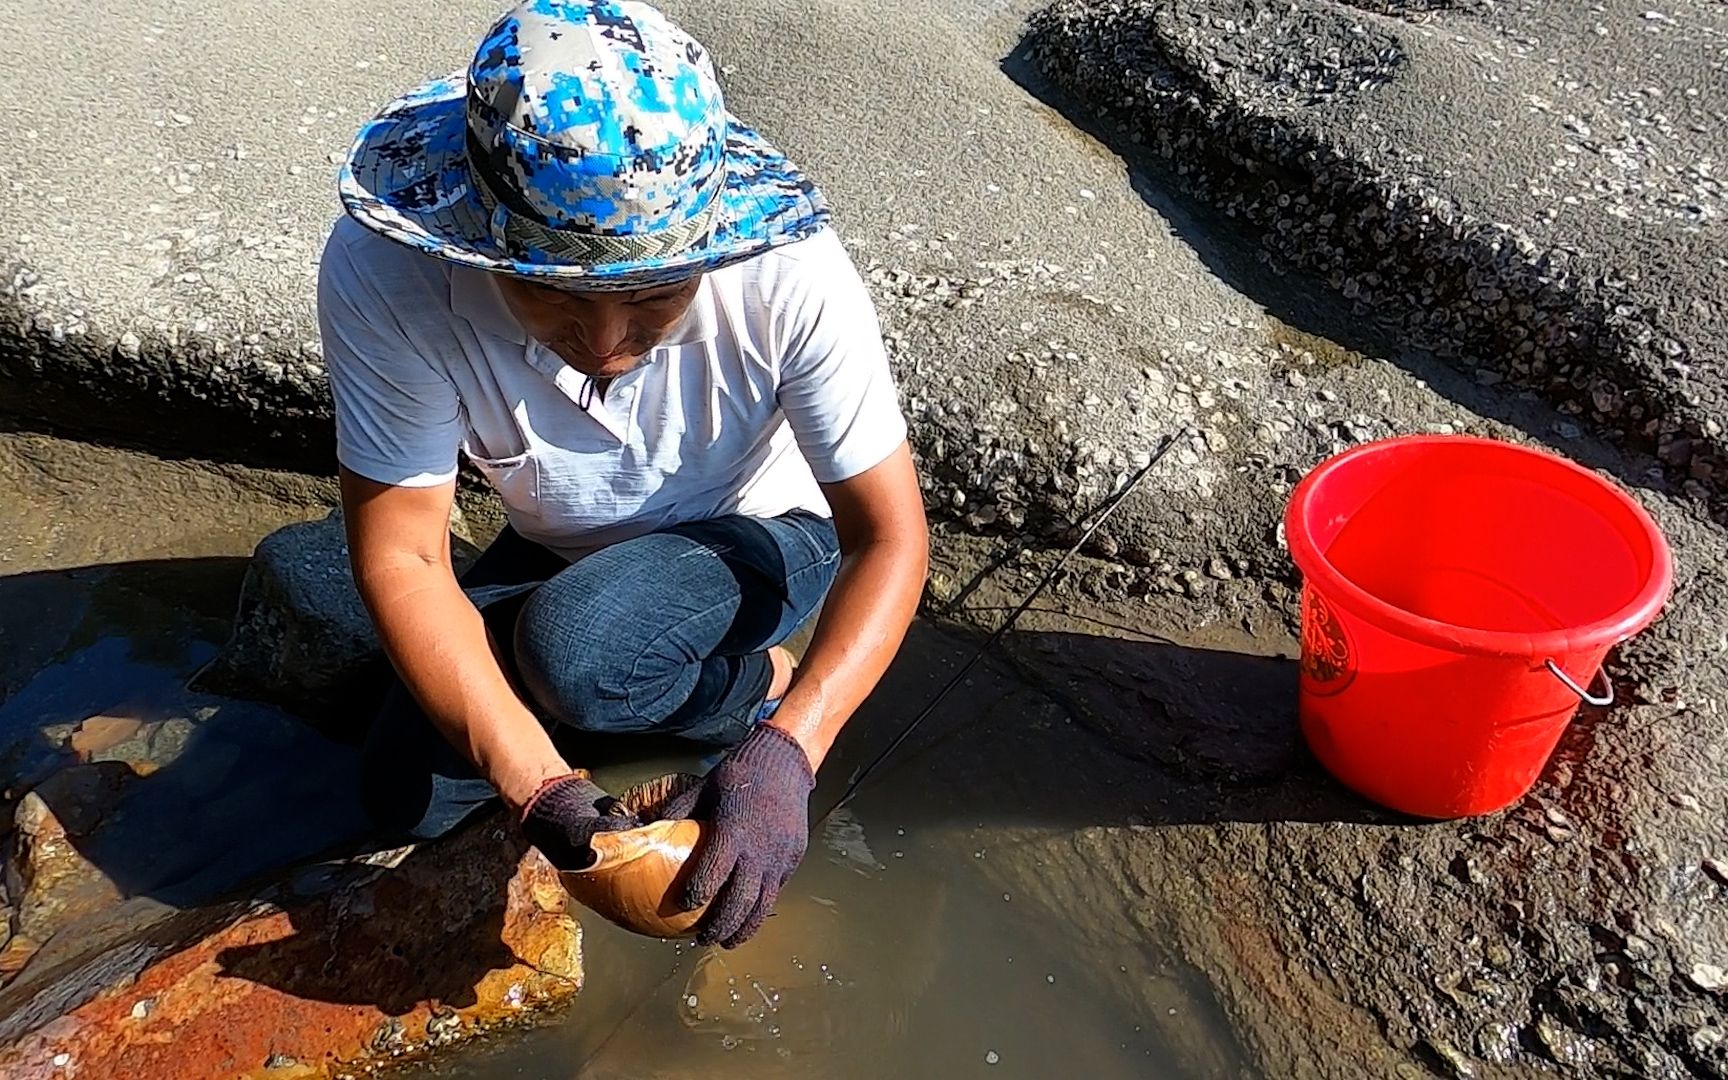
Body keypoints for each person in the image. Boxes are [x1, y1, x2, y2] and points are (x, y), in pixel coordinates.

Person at [318, 0, 928, 949]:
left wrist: (792, 748)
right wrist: (542, 790)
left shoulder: (788, 273)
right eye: (550, 291)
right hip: (567, 539)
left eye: (652, 296)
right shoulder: (384, 277)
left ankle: (753, 686)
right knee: (402, 797)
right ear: (480, 241)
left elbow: (888, 537)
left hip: (763, 524)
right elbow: (403, 560)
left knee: (579, 651)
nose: (606, 344)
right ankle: (615, 699)